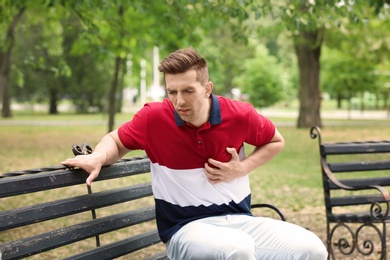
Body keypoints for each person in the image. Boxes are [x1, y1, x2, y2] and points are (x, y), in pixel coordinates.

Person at [62, 47, 327, 260]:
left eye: (188, 90)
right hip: (184, 231)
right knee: (238, 250)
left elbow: (275, 141)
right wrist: (98, 155)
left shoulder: (239, 115)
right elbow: (116, 141)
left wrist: (242, 168)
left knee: (312, 249)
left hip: (241, 222)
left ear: (207, 88)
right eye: (172, 91)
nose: (179, 100)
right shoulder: (154, 118)